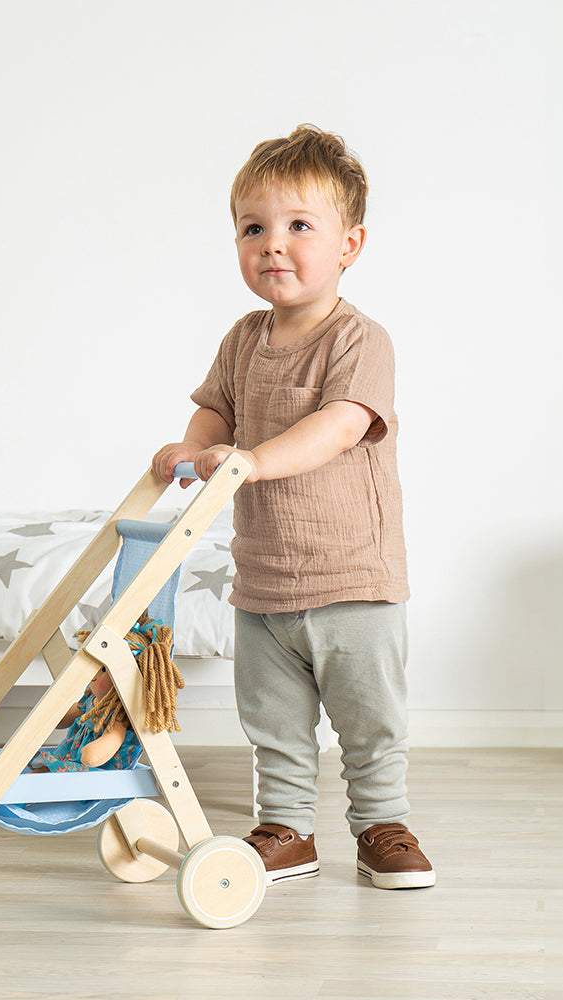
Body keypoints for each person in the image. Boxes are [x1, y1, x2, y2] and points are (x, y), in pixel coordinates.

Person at [152, 125, 434, 889]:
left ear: (351, 243)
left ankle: (381, 825)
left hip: (354, 580)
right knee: (274, 723)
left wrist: (249, 461)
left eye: (299, 226)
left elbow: (340, 425)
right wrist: (192, 448)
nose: (273, 245)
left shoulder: (359, 339)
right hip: (266, 582)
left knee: (369, 720)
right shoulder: (244, 339)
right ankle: (287, 828)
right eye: (254, 228)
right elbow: (217, 411)